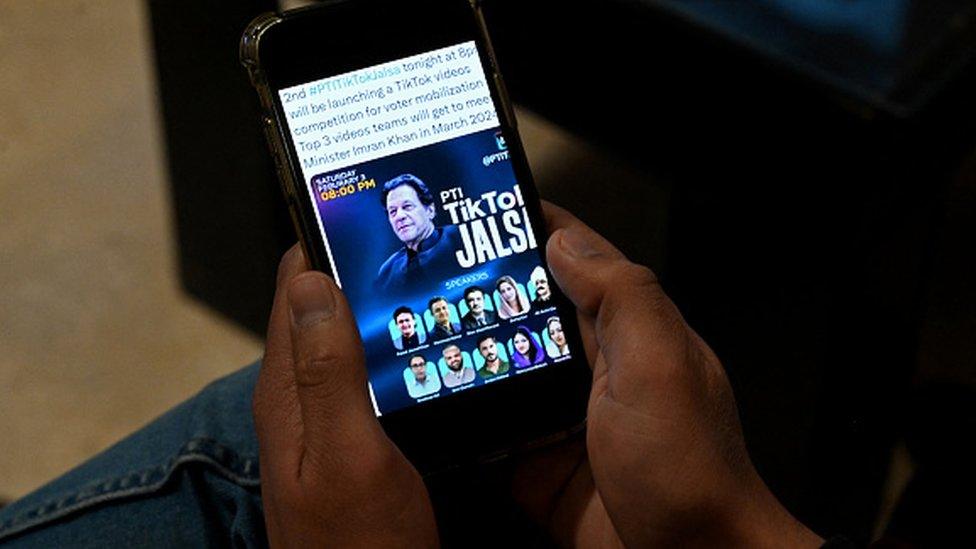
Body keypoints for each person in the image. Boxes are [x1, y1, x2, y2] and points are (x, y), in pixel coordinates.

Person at [0, 203, 824, 548]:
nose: (398, 221)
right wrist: (724, 524)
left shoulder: (450, 260)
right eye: (388, 213)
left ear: (432, 208)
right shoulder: (393, 265)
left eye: (407, 209)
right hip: (585, 479)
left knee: (252, 436)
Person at [375, 174, 461, 291]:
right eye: (393, 211)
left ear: (430, 210)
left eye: (407, 206)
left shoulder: (461, 237)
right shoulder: (387, 272)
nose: (399, 216)